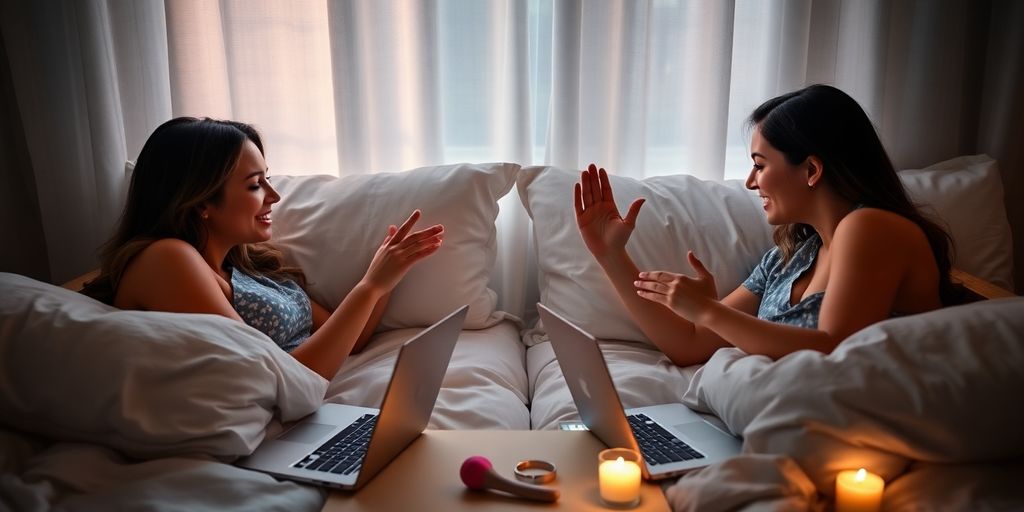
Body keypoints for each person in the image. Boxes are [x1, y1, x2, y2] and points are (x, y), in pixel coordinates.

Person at [574, 84, 956, 367]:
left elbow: (835, 348)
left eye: (760, 164)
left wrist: (709, 310)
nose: (750, 182)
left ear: (811, 169)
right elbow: (689, 344)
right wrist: (610, 254)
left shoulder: (869, 227)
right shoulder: (788, 258)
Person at [82, 117, 444, 380]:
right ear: (201, 201)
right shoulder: (166, 259)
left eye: (267, 179)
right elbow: (274, 377)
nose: (274, 196)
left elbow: (351, 340)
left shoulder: (250, 268)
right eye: (256, 185)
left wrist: (383, 273)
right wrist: (370, 287)